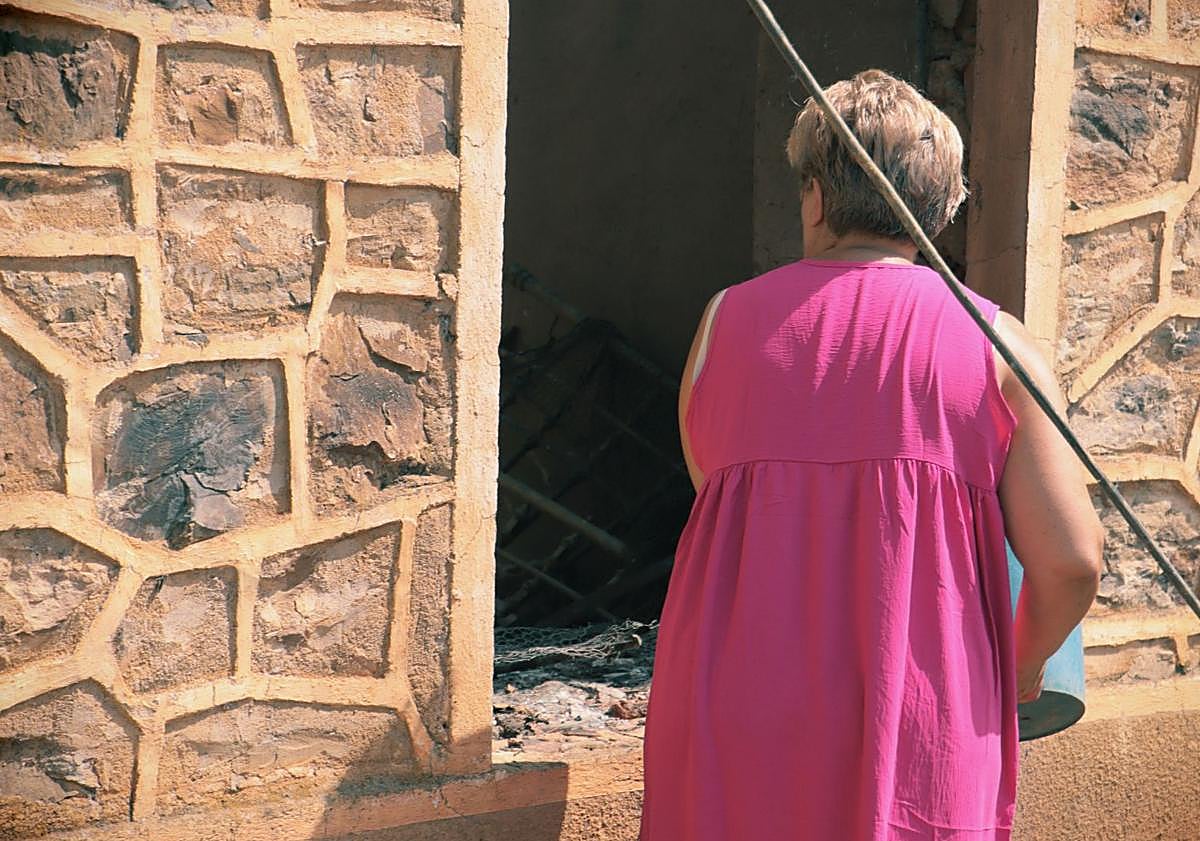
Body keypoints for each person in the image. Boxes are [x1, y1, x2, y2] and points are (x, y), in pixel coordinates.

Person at [638, 69, 1104, 840]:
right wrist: (1020, 663)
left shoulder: (723, 322)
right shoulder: (997, 344)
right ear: (938, 212)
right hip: (917, 724)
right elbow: (1073, 560)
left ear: (816, 197)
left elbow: (713, 489)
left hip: (730, 716)